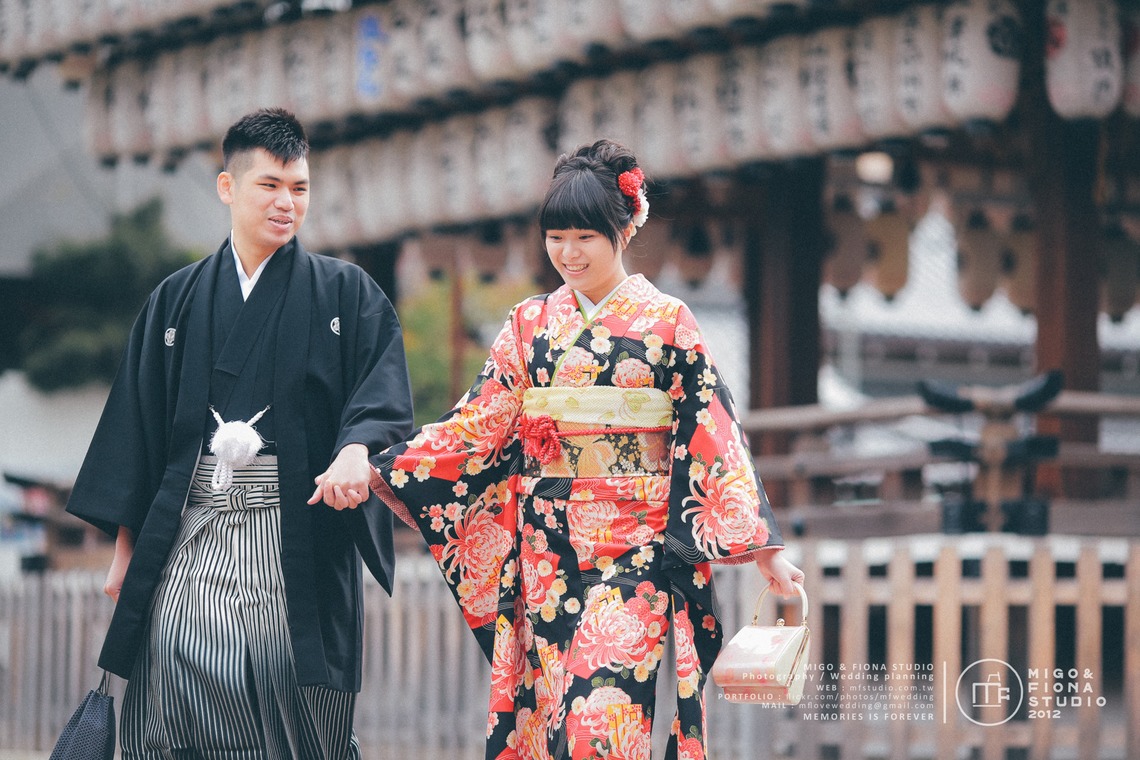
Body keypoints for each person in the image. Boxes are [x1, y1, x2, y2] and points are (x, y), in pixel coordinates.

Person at [364, 139, 804, 759]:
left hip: (638, 548)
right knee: (552, 723)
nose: (567, 254)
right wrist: (383, 466)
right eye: (556, 237)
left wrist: (762, 547)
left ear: (625, 228)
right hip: (549, 552)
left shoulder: (668, 322)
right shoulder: (528, 325)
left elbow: (711, 428)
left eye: (585, 238)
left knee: (600, 728)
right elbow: (476, 424)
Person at [66, 107, 414, 759]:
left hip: (296, 537)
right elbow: (136, 432)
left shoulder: (346, 295)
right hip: (187, 537)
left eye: (299, 188)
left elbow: (381, 398)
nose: (287, 203)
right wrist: (124, 551)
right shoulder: (176, 299)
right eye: (270, 186)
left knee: (288, 692)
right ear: (228, 187)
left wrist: (356, 450)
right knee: (170, 685)